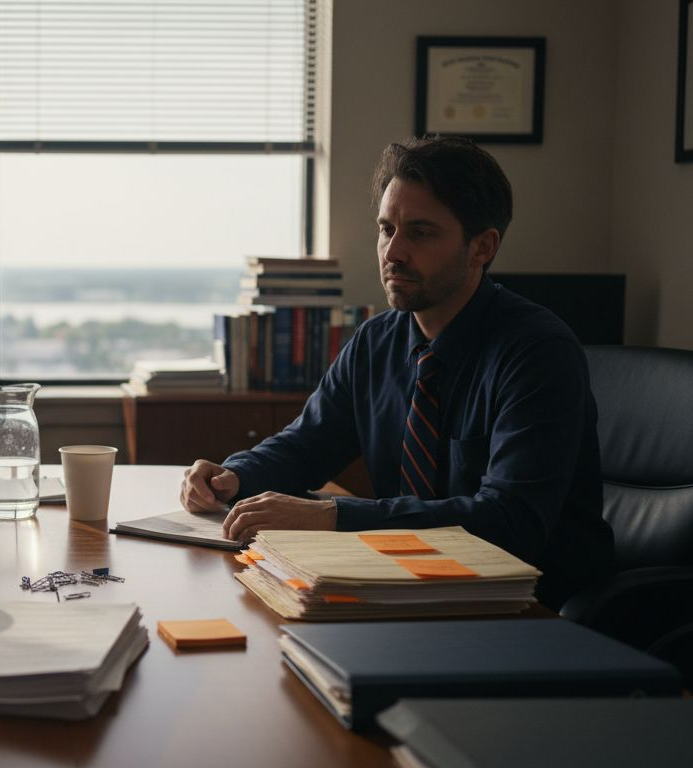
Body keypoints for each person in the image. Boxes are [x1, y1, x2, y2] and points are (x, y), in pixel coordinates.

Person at [179, 136, 613, 608]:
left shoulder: (537, 352)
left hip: (529, 606)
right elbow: (306, 446)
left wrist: (329, 516)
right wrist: (232, 477)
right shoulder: (375, 342)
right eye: (387, 229)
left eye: (420, 233)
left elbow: (509, 521)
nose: (393, 253)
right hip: (402, 584)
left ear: (482, 247)